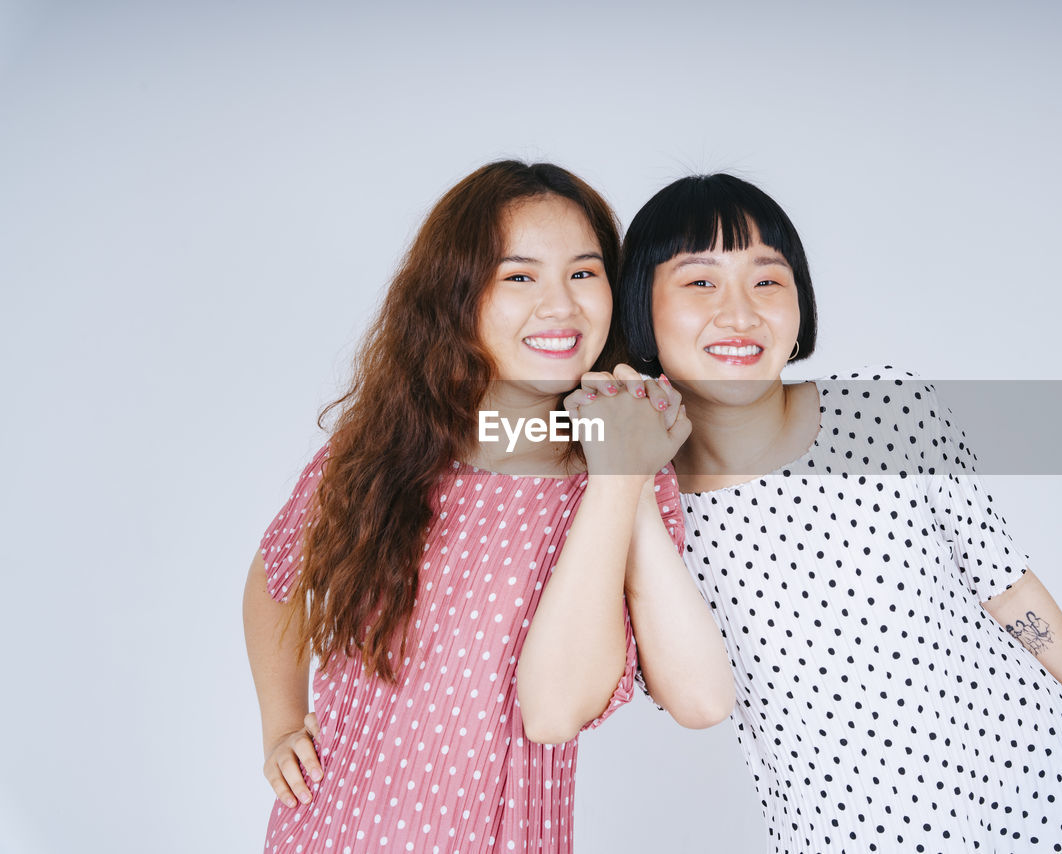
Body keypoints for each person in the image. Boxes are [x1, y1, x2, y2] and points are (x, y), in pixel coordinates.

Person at [598, 173, 1062, 853]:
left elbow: (1009, 587)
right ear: (641, 307)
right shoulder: (639, 501)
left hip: (1050, 794)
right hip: (859, 834)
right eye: (701, 282)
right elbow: (694, 700)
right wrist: (629, 477)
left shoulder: (887, 409)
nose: (740, 313)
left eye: (767, 280)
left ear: (800, 306)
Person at [242, 160, 732, 854]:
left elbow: (566, 706)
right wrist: (282, 723)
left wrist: (618, 471)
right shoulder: (385, 449)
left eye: (585, 273)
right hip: (334, 828)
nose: (560, 305)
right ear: (458, 294)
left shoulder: (619, 478)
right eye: (520, 275)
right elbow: (277, 577)